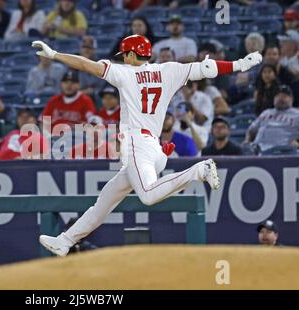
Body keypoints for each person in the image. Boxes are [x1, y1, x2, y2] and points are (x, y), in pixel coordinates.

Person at [31, 34, 261, 256]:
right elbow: (208, 68)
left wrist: (54, 54)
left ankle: (198, 170)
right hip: (154, 148)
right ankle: (65, 241)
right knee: (104, 202)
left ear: (132, 54)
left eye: (125, 54)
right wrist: (240, 64)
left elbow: (85, 64)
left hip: (138, 145)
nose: (122, 58)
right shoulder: (170, 69)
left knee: (148, 196)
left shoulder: (124, 73)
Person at [244, 85, 299, 153]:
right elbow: (251, 130)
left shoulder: (297, 114)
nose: (280, 98)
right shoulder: (266, 112)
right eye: (278, 96)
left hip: (281, 151)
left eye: (284, 96)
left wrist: (297, 142)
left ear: (291, 99)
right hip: (256, 149)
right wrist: (247, 141)